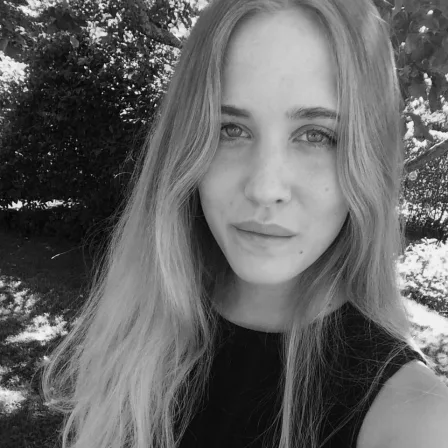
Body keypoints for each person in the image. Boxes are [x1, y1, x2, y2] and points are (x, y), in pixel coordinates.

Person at [41, 0, 448, 447]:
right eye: (230, 129)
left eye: (317, 135)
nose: (264, 188)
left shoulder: (416, 420)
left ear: (368, 162)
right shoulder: (139, 335)